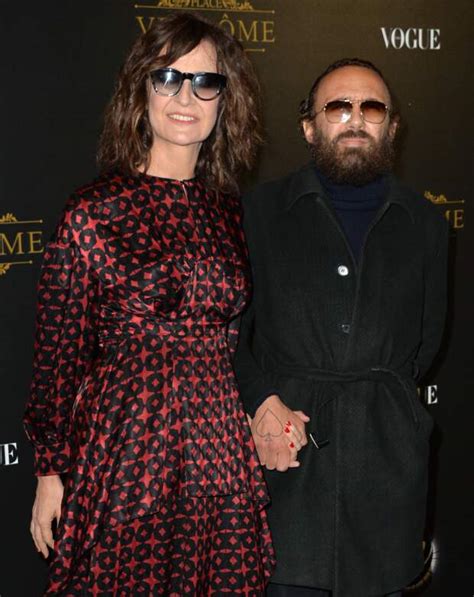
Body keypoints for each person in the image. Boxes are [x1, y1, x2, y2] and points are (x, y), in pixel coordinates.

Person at [24, 12, 275, 595]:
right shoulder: (93, 212)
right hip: (129, 447)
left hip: (218, 451)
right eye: (168, 78)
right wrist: (50, 473)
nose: (186, 96)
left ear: (223, 101)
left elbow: (241, 341)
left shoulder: (232, 215)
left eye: (204, 81)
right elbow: (58, 355)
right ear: (142, 89)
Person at [234, 58, 448, 597]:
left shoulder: (425, 223)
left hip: (386, 481)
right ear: (309, 126)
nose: (356, 118)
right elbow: (228, 335)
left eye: (372, 108)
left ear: (392, 127)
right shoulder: (256, 214)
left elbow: (426, 342)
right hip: (285, 473)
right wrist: (263, 401)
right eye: (338, 106)